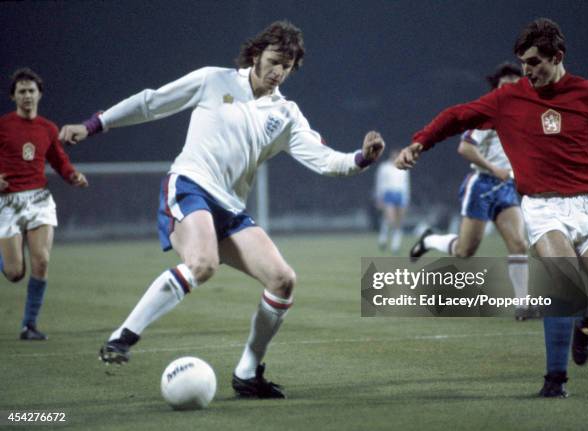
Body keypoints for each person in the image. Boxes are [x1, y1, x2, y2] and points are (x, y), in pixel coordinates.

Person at [59, 21, 384, 399]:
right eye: (275, 60)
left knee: (283, 280)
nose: (279, 71)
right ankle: (122, 337)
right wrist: (95, 124)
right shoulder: (215, 81)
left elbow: (325, 160)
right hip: (190, 185)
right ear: (256, 54)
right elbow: (151, 102)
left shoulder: (287, 114)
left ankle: (248, 372)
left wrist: (361, 158)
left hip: (229, 207)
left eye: (288, 65)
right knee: (203, 264)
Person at [395, 18, 588, 398]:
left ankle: (585, 325)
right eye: (523, 63)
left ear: (557, 57)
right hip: (543, 207)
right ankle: (554, 381)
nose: (526, 72)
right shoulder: (509, 99)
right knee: (563, 283)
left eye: (533, 63)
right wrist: (421, 142)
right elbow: (457, 116)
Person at [409, 63, 533, 320]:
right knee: (465, 251)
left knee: (519, 244)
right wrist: (494, 168)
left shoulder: (524, 115)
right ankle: (429, 240)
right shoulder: (488, 116)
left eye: (514, 83)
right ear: (496, 89)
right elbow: (465, 148)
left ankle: (524, 305)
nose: (509, 89)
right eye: (504, 85)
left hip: (507, 187)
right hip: (482, 185)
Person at [0, 68, 88, 340]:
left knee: (42, 261)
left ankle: (29, 326)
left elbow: (58, 159)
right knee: (15, 273)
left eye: (31, 91)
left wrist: (72, 175)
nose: (27, 95)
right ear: (13, 96)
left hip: (39, 199)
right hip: (8, 202)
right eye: (21, 91)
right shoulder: (3, 126)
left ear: (39, 94)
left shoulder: (48, 128)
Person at [374, 149, 410, 254]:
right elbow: (379, 182)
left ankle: (396, 244)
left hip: (400, 195)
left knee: (399, 221)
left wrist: (407, 198)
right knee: (391, 219)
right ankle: (383, 237)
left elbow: (406, 184)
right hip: (388, 194)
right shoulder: (384, 167)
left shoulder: (404, 167)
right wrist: (379, 197)